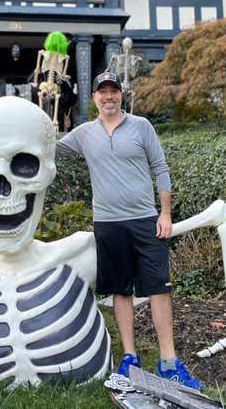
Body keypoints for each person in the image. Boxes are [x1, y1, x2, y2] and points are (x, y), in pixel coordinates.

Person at [57, 71, 201, 389]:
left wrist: (164, 214)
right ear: (93, 98)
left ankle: (168, 363)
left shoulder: (141, 126)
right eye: (102, 92)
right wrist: (52, 112)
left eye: (113, 91)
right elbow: (48, 150)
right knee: (121, 291)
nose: (108, 96)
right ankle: (130, 358)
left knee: (159, 290)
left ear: (120, 95)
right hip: (108, 223)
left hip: (145, 220)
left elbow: (160, 168)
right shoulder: (83, 134)